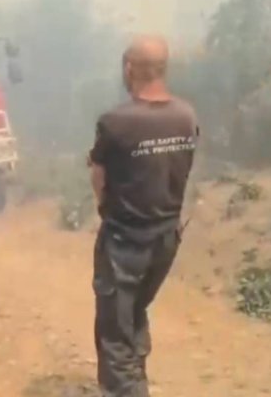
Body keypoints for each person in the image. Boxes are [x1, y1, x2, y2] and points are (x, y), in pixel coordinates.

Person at [87, 35, 199, 397]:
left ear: (129, 68)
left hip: (124, 241)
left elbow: (98, 177)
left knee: (115, 332)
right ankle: (136, 383)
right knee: (133, 313)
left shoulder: (115, 121)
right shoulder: (186, 115)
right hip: (166, 239)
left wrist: (106, 207)